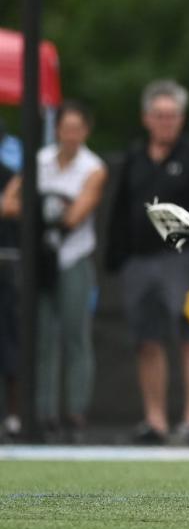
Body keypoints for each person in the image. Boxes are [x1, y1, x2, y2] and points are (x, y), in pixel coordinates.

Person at [105, 79, 189, 445]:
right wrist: (117, 258)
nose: (166, 122)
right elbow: (119, 211)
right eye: (159, 115)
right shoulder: (135, 158)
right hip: (139, 263)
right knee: (147, 340)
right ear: (147, 118)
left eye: (173, 115)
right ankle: (155, 420)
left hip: (185, 261)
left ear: (182, 118)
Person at [2, 102, 106, 442]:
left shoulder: (93, 167)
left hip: (72, 257)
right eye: (66, 127)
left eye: (78, 128)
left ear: (85, 131)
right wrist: (39, 213)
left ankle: (75, 413)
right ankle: (43, 412)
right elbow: (8, 203)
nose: (71, 135)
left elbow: (75, 216)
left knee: (75, 335)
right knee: (42, 337)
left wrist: (39, 212)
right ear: (58, 129)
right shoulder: (40, 162)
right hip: (40, 261)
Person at [0, 121, 20, 440]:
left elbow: (12, 207)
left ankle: (14, 415)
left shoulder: (11, 165)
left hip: (7, 259)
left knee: (9, 338)